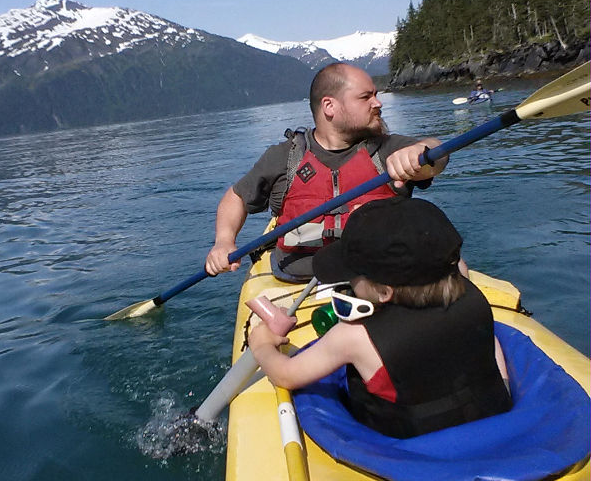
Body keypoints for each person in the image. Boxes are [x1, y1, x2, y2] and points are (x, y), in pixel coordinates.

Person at [248, 197, 511, 439]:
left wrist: (262, 344)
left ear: (384, 291)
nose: (348, 281)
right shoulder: (471, 293)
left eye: (353, 275)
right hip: (492, 416)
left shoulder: (353, 336)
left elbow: (285, 375)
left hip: (410, 443)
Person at [205, 62, 450, 282]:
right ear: (329, 106)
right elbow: (236, 197)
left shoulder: (386, 149)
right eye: (366, 97)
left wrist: (421, 151)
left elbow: (437, 156)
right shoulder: (285, 157)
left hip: (382, 276)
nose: (378, 103)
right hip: (298, 279)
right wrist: (224, 242)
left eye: (375, 95)